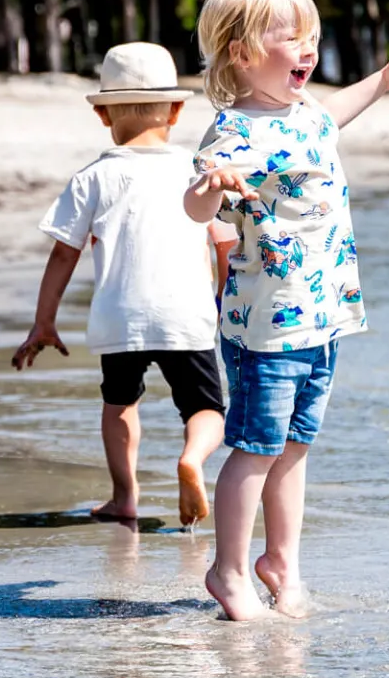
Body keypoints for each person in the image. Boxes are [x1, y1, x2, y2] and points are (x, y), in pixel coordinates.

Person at [182, 0, 389, 620]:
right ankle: (228, 571)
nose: (309, 50)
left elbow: (340, 108)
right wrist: (215, 185)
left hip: (323, 318)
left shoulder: (309, 115)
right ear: (243, 53)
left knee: (295, 447)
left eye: (312, 36)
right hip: (267, 326)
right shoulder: (234, 132)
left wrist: (386, 78)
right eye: (292, 38)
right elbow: (196, 206)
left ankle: (280, 561)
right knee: (255, 447)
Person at [12, 42, 236, 528]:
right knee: (205, 408)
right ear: (176, 111)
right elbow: (225, 244)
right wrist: (224, 300)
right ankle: (192, 459)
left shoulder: (92, 177)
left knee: (119, 404)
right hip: (186, 314)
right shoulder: (197, 172)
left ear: (103, 116)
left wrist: (44, 322)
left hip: (120, 315)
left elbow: (63, 254)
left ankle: (125, 497)